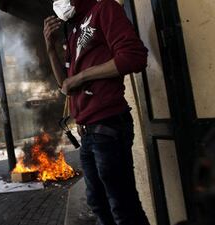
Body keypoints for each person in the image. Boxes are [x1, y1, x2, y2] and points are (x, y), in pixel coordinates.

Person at [44, 0, 149, 225]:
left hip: (108, 127)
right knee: (99, 204)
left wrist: (82, 76)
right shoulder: (73, 29)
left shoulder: (104, 9)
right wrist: (51, 48)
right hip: (89, 133)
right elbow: (65, 86)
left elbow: (134, 57)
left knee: (122, 207)